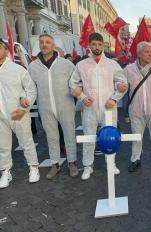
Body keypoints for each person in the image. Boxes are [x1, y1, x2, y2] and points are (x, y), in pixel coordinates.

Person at [69, 33, 128, 180]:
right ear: (89, 45)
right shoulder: (81, 65)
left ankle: (111, 163)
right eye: (94, 44)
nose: (97, 47)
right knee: (89, 137)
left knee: (110, 137)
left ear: (103, 45)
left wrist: (115, 99)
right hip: (90, 108)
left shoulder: (112, 64)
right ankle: (88, 166)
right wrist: (82, 97)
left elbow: (122, 84)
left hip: (109, 107)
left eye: (99, 44)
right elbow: (73, 84)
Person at [28, 34, 78, 179]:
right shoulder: (33, 67)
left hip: (65, 104)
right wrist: (26, 102)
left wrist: (76, 91)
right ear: (39, 45)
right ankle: (55, 164)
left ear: (53, 45)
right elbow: (30, 88)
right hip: (45, 106)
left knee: (69, 133)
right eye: (42, 42)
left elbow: (75, 81)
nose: (44, 44)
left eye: (48, 42)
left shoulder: (66, 64)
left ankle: (72, 162)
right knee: (51, 136)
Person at [0, 39, 40, 188]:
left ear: (6, 49)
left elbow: (31, 89)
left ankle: (33, 167)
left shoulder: (18, 69)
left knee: (26, 142)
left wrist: (24, 107)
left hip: (18, 112)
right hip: (0, 116)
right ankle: (5, 171)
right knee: (3, 145)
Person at [124, 41, 151, 173]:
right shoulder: (128, 69)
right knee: (137, 136)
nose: (150, 54)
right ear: (138, 53)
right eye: (146, 52)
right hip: (136, 109)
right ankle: (135, 159)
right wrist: (120, 86)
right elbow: (120, 84)